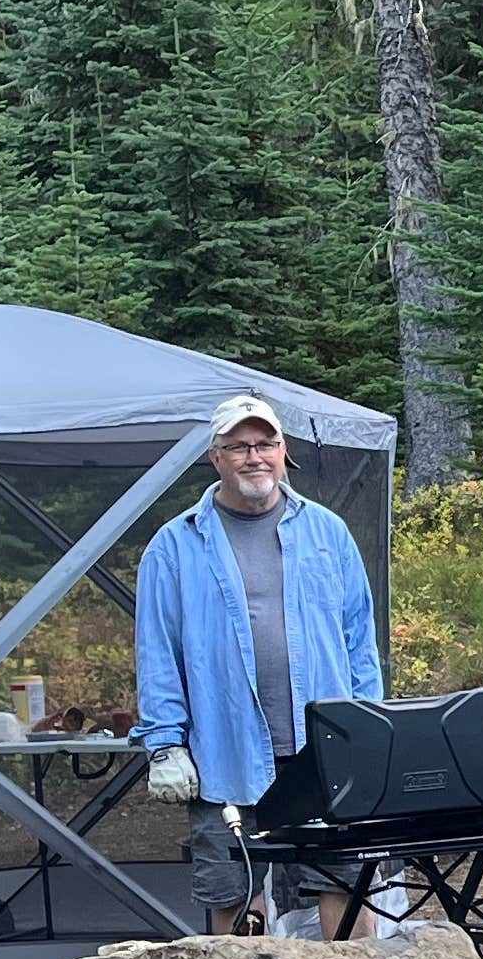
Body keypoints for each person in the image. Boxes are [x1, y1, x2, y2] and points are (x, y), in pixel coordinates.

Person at [136, 394, 386, 930]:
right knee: (235, 898)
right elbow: (158, 654)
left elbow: (359, 639)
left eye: (266, 443)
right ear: (216, 457)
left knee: (340, 885)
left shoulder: (327, 533)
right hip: (223, 754)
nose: (255, 457)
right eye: (239, 446)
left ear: (283, 450)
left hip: (323, 755)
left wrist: (370, 730)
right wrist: (164, 745)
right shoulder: (174, 546)